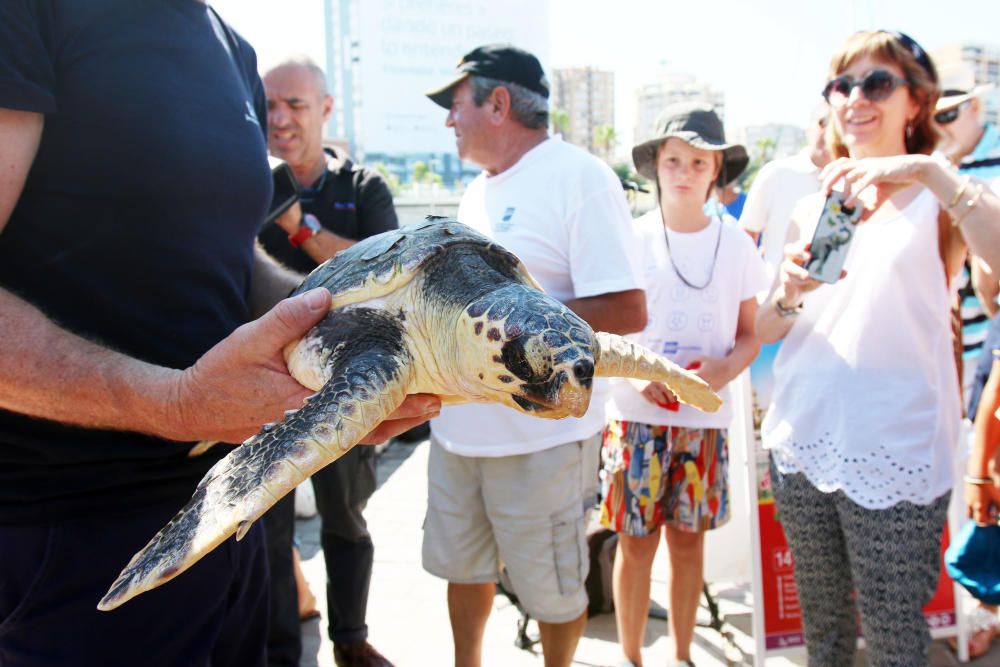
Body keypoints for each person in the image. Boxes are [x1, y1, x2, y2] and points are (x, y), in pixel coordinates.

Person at [0, 4, 437, 667]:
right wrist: (172, 403)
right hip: (72, 535)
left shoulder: (231, 47)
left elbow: (230, 259)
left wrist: (349, 340)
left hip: (228, 511)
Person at [756, 30, 1000, 666]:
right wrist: (785, 290)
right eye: (842, 85)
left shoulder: (941, 199)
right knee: (824, 631)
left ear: (915, 102)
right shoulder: (814, 204)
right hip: (802, 437)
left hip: (897, 445)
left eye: (877, 83)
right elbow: (766, 329)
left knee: (896, 639)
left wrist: (928, 169)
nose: (855, 97)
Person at [421, 44, 647, 667]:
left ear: (498, 103)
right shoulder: (476, 194)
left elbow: (627, 310)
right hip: (458, 435)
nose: (448, 120)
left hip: (542, 442)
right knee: (461, 570)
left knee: (552, 589)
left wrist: (502, 333)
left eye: (455, 103)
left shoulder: (581, 177)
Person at [601, 103, 768, 667]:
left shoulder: (739, 244)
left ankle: (679, 654)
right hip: (634, 417)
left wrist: (719, 372)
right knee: (635, 542)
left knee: (689, 541)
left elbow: (749, 335)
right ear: (655, 165)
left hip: (704, 422)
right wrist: (638, 371)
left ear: (716, 168)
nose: (685, 171)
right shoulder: (631, 237)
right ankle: (631, 656)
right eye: (674, 159)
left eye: (699, 161)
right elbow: (602, 329)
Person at [257, 57, 399, 667]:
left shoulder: (363, 188)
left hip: (348, 385)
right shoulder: (244, 180)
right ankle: (280, 648)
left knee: (345, 520)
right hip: (263, 387)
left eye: (294, 104)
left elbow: (386, 272)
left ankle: (350, 640)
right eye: (269, 106)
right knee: (263, 531)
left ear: (325, 109)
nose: (280, 118)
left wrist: (297, 224)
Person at [932, 62, 1000, 412]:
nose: (939, 126)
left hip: (989, 329)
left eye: (947, 115)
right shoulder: (934, 164)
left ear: (974, 106)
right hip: (947, 336)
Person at [740, 104, 831, 278]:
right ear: (809, 127)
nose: (828, 132)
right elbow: (746, 238)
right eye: (824, 122)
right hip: (774, 300)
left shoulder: (854, 182)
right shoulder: (776, 173)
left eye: (837, 124)